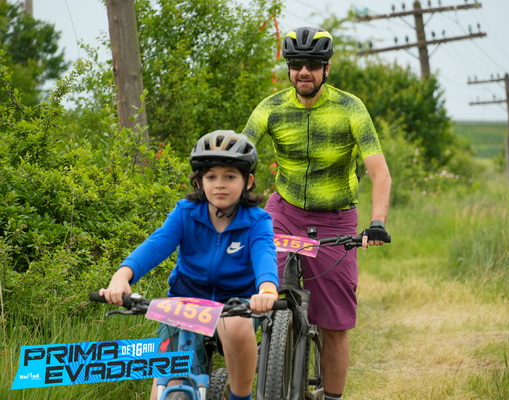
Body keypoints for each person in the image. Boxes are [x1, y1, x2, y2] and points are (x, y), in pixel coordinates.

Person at [243, 26, 392, 400]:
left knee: (335, 323)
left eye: (312, 64)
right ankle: (261, 364)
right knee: (257, 290)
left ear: (327, 68)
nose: (303, 72)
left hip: (334, 219)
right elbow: (238, 156)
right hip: (283, 212)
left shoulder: (349, 108)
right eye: (296, 64)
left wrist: (376, 223)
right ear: (288, 68)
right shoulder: (271, 108)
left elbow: (380, 173)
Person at [99, 130, 279, 400]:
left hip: (236, 303)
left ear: (248, 181)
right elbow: (156, 245)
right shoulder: (185, 212)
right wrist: (122, 276)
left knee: (237, 327)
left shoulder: (257, 220)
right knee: (166, 377)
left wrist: (266, 289)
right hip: (186, 301)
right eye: (211, 177)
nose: (219, 184)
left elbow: (264, 254)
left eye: (230, 177)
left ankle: (240, 396)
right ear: (199, 181)